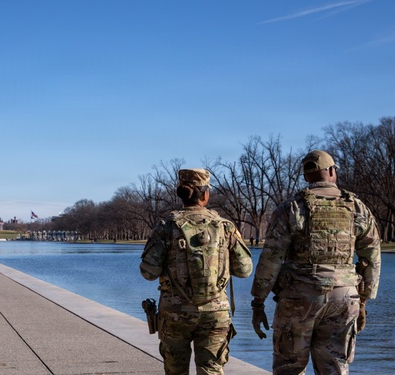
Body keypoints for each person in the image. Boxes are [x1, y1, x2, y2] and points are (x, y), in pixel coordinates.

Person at [250, 150, 381, 375]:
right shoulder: (357, 207)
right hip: (344, 297)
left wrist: (258, 302)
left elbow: (271, 259)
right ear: (331, 172)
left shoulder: (291, 208)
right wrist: (364, 299)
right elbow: (372, 256)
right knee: (335, 366)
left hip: (298, 297)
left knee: (289, 367)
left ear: (306, 176)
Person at [140, 168, 253, 375]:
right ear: (205, 194)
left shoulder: (166, 227)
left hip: (175, 314)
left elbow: (148, 272)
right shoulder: (225, 227)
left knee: (175, 371)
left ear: (182, 194)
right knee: (211, 369)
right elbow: (245, 269)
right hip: (215, 313)